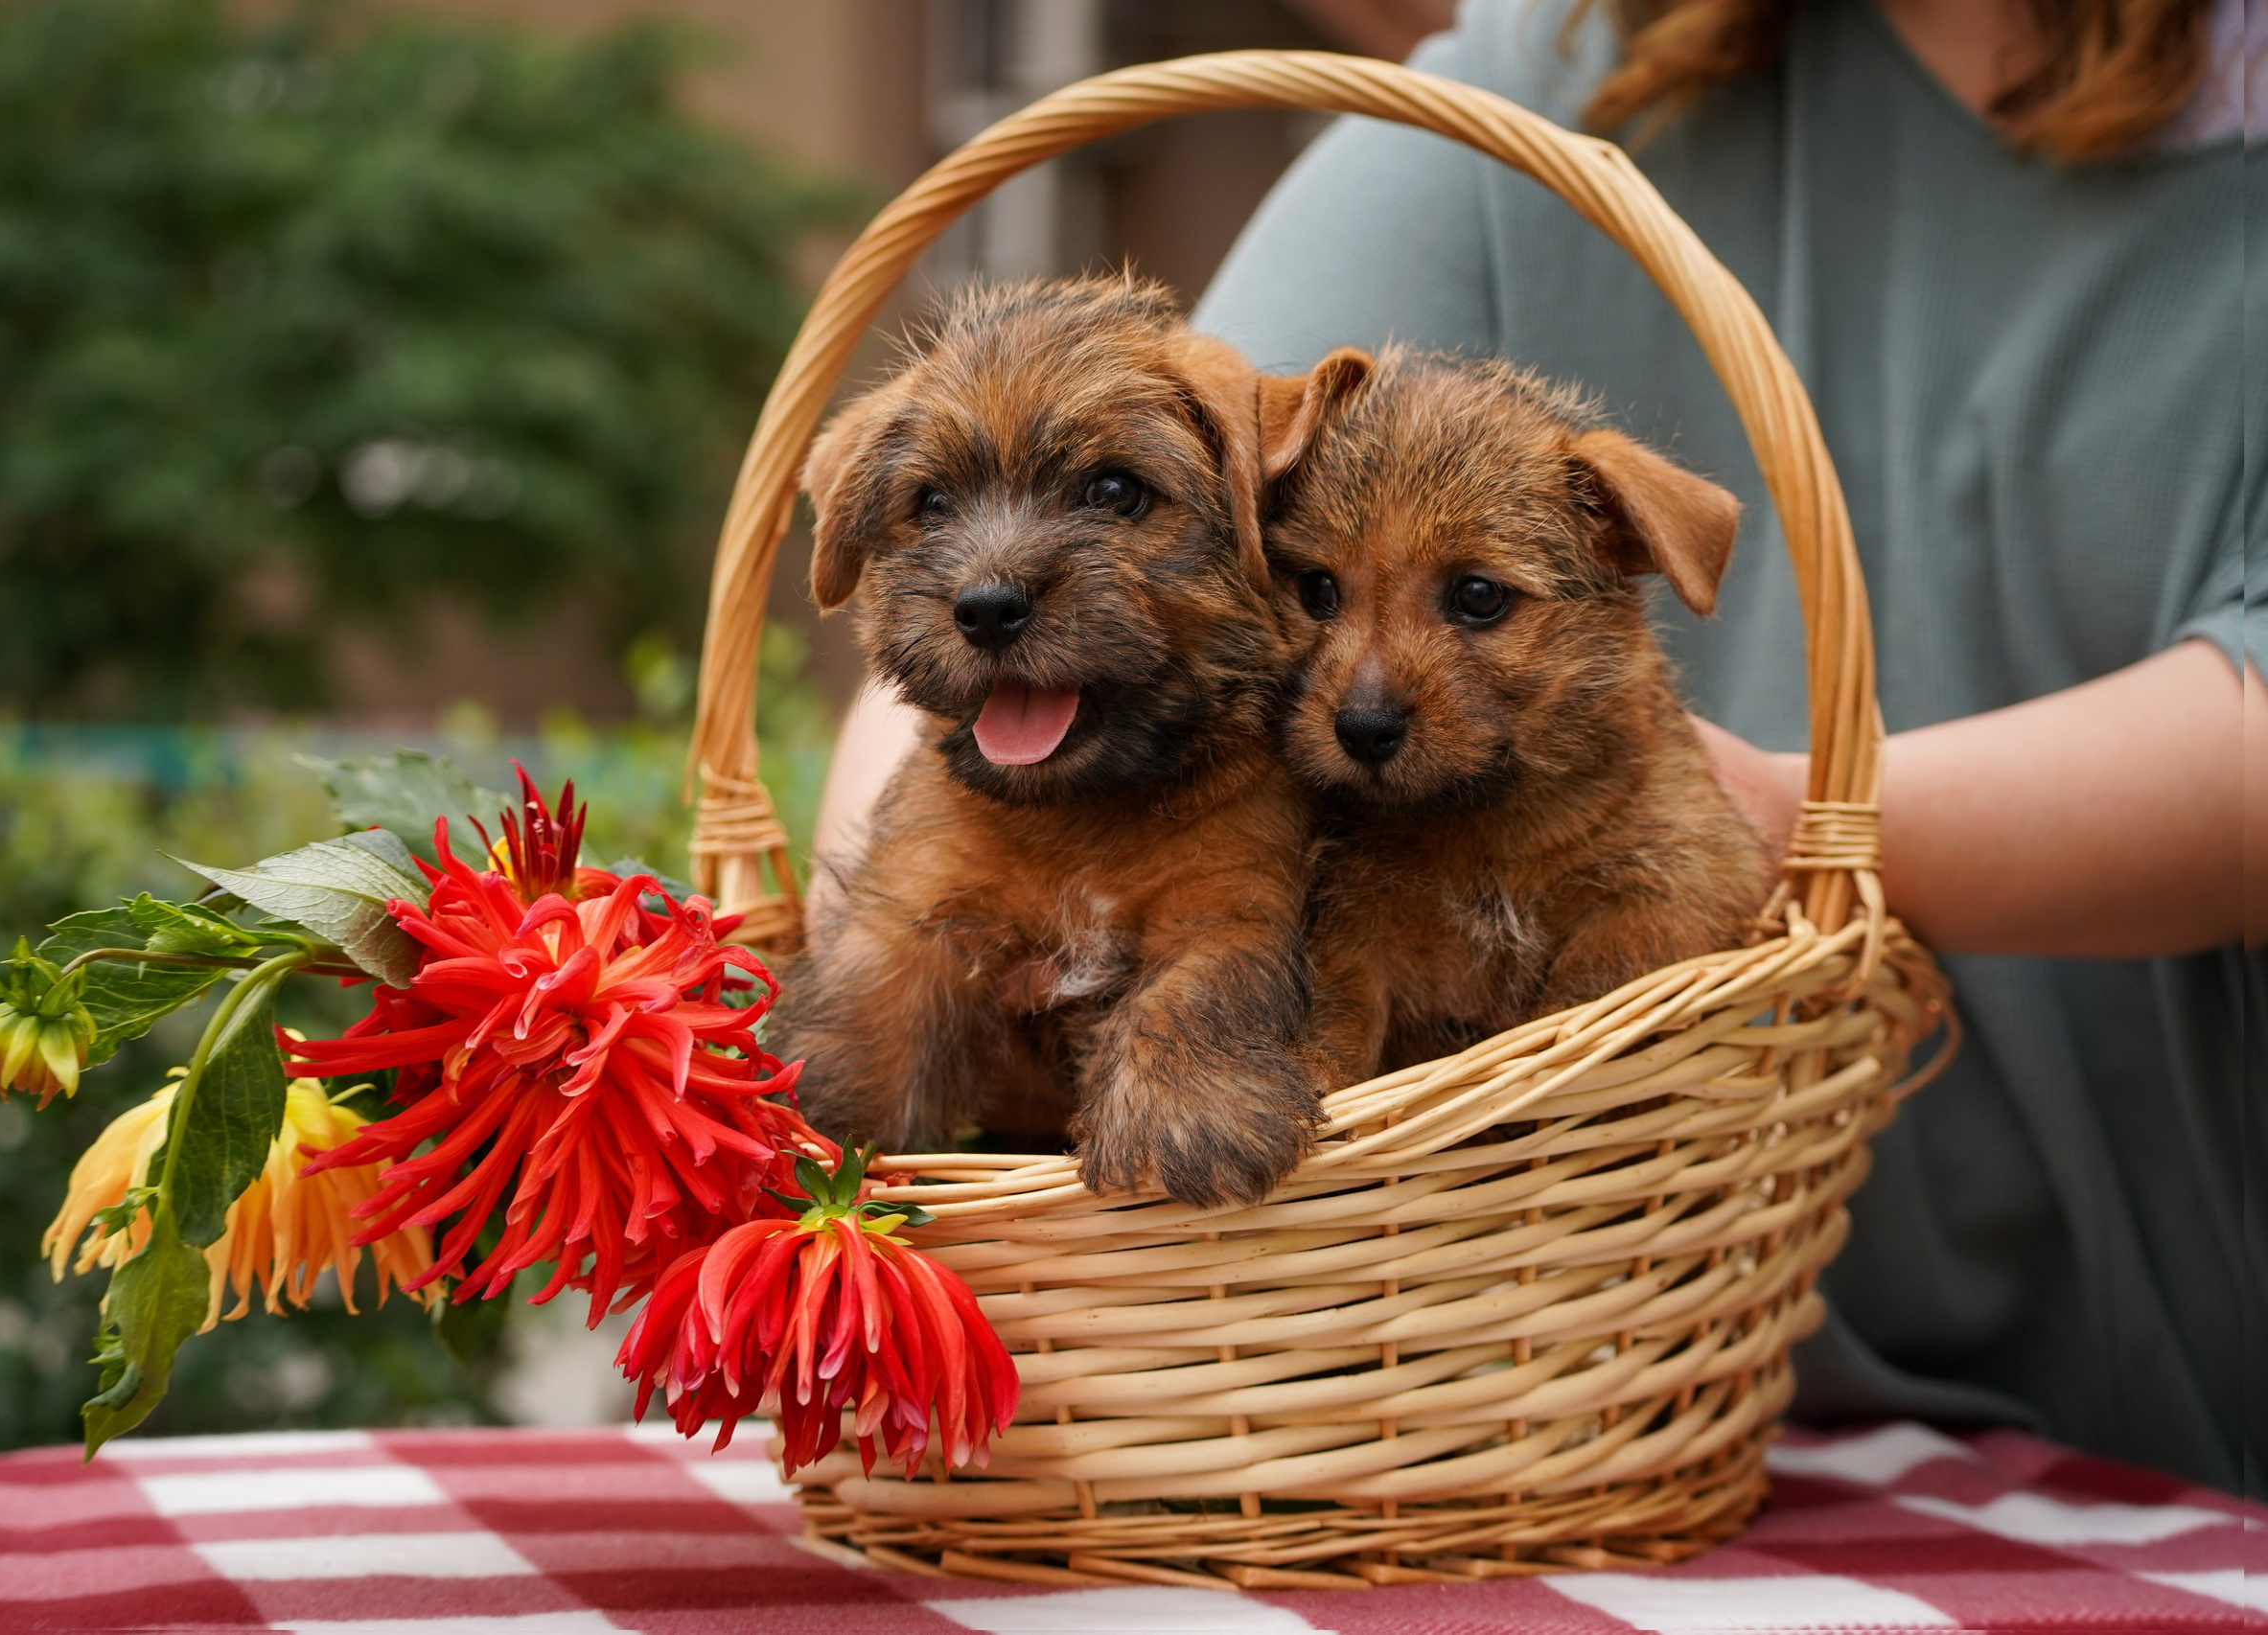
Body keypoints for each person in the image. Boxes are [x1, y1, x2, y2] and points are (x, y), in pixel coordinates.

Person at [811, 0, 2260, 1494]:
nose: (1368, 678)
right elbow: (1142, 470)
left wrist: (1762, 820)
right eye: (1325, 596)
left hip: (2131, 1346)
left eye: (1478, 603)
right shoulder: (1557, 72)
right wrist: (922, 947)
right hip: (1373, 1402)